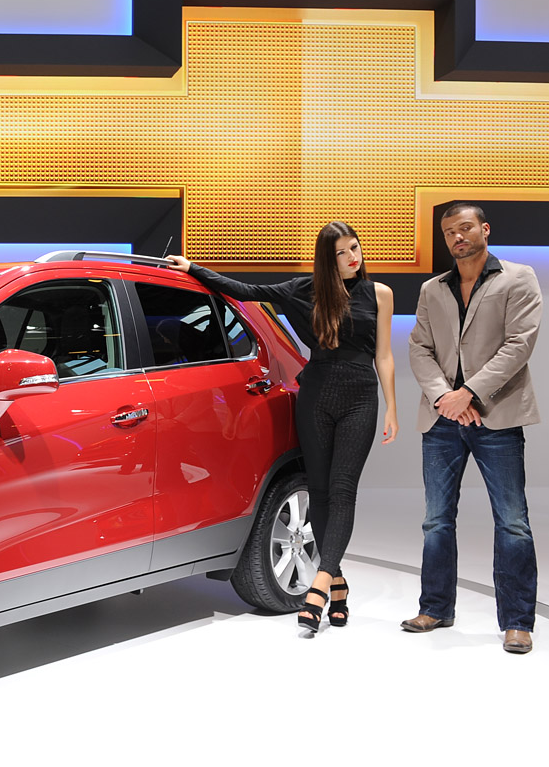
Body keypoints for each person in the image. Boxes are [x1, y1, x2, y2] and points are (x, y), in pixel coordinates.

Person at [168, 221, 398, 635]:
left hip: (361, 399)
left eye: (355, 247)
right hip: (316, 396)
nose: (352, 257)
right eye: (341, 253)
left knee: (343, 490)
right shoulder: (302, 291)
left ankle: (320, 584)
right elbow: (243, 291)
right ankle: (338, 582)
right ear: (327, 260)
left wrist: (392, 408)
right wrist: (194, 269)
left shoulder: (379, 293)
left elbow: (384, 355)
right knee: (320, 491)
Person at [401, 203, 542, 654]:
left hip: (496, 414)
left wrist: (470, 393)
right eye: (449, 232)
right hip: (442, 418)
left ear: (485, 229)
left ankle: (517, 621)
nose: (457, 237)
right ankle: (435, 607)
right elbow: (419, 347)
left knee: (512, 522)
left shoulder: (518, 278)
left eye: (465, 228)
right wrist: (446, 396)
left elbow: (519, 344)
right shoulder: (432, 288)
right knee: (436, 520)